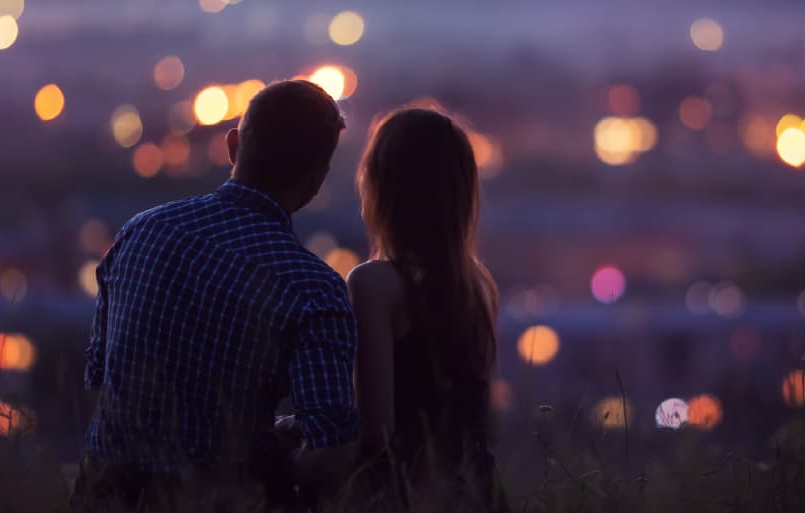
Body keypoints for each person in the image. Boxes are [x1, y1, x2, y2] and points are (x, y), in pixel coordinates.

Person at [75, 80, 359, 512]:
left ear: (232, 145)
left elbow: (100, 380)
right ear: (317, 179)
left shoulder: (141, 231)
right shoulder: (311, 287)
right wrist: (263, 459)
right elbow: (332, 453)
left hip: (106, 496)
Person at [346, 107, 510, 512]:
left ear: (383, 187)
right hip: (478, 494)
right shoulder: (477, 286)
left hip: (407, 495)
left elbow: (377, 433)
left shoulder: (374, 285)